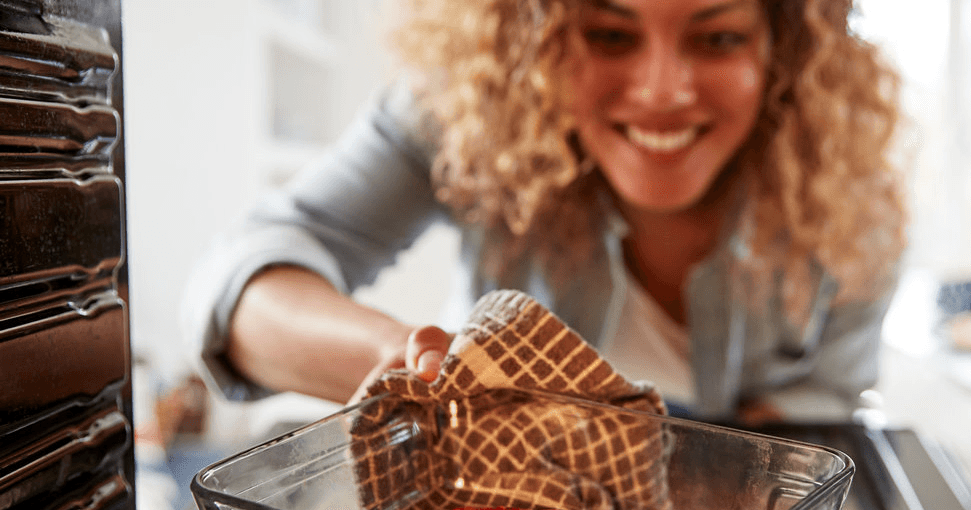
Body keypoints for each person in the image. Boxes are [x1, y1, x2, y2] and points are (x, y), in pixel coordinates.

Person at [181, 0, 905, 422]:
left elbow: (820, 417)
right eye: (609, 35)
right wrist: (408, 365)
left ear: (781, 48)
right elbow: (237, 285)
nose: (661, 90)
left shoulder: (847, 203)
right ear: (537, 39)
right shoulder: (464, 116)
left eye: (718, 38)